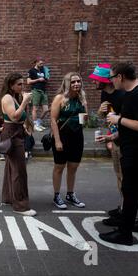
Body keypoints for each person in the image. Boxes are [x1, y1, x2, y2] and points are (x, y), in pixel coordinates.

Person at [99, 62, 138, 245]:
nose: (110, 81)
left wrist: (119, 119)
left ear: (120, 77)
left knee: (130, 190)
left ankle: (124, 234)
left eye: (111, 77)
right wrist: (113, 136)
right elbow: (134, 126)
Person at [89, 63, 125, 226]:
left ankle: (126, 212)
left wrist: (111, 138)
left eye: (97, 80)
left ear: (106, 80)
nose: (94, 82)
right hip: (115, 139)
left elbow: (126, 123)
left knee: (126, 178)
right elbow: (106, 118)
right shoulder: (105, 94)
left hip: (125, 140)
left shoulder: (122, 95)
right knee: (119, 176)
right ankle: (122, 208)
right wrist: (99, 112)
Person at [0, 72, 36, 216]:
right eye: (19, 84)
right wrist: (25, 101)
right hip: (12, 134)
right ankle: (20, 206)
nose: (22, 86)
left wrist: (26, 125)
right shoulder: (7, 97)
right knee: (19, 170)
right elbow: (14, 117)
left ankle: (9, 197)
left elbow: (19, 118)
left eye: (22, 83)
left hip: (16, 132)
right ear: (11, 85)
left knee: (11, 167)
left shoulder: (13, 97)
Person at [51, 72, 88, 209]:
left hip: (77, 136)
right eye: (73, 82)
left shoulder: (81, 98)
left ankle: (70, 194)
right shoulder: (59, 98)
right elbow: (53, 120)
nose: (76, 84)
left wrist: (85, 107)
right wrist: (57, 141)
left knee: (73, 167)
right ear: (67, 83)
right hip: (62, 136)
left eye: (78, 81)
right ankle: (56, 195)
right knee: (59, 167)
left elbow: (85, 120)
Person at [27, 57, 49, 132]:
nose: (42, 64)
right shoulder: (32, 71)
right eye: (40, 63)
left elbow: (46, 79)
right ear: (36, 63)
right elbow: (28, 82)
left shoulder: (43, 70)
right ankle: (35, 125)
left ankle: (38, 123)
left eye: (43, 63)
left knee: (46, 109)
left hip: (43, 91)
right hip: (36, 91)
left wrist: (47, 77)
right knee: (35, 109)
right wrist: (38, 80)